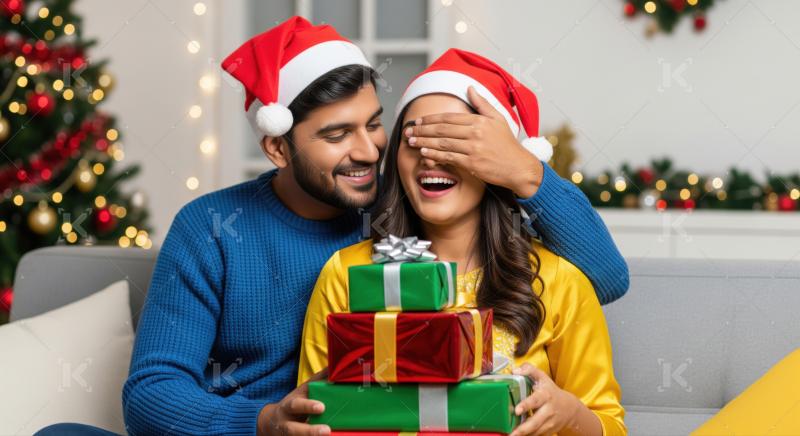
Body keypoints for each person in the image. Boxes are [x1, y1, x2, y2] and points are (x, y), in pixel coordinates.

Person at [39, 17, 627, 436]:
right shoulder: (215, 229)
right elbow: (151, 394)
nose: (368, 152)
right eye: (336, 134)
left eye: (374, 125)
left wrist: (523, 170)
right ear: (278, 146)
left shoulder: (403, 209)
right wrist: (263, 421)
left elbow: (599, 277)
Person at [298, 49, 626, 436]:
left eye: (456, 141)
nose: (431, 157)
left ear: (497, 162)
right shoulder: (347, 274)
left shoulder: (558, 281)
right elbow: (313, 414)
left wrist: (570, 415)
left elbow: (610, 425)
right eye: (415, 138)